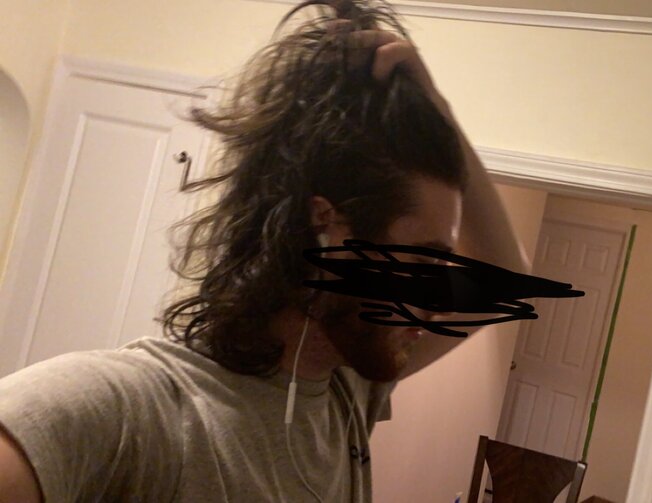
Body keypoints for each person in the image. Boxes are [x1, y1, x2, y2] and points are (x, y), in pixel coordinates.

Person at [0, 1, 527, 501]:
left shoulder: (347, 396)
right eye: (422, 262)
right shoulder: (142, 411)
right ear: (328, 229)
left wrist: (438, 109)